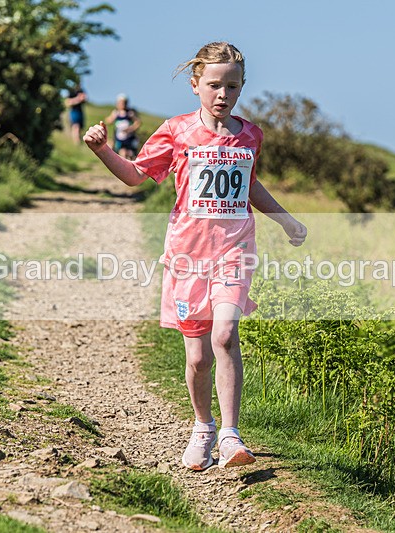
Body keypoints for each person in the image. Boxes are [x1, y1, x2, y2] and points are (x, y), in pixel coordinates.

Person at [83, 42, 307, 470]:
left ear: (242, 88)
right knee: (198, 357)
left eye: (232, 86)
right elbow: (135, 176)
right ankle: (203, 427)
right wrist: (102, 150)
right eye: (214, 85)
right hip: (187, 257)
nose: (223, 94)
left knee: (225, 335)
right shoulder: (176, 131)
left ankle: (230, 435)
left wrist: (286, 220)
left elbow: (250, 186)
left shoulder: (250, 135)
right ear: (195, 85)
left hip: (235, 251)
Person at [105, 94, 142, 160]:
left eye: (124, 103)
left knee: (130, 154)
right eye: (120, 103)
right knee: (122, 153)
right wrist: (112, 118)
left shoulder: (130, 113)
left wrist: (130, 129)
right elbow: (108, 121)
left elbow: (138, 122)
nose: (122, 105)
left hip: (129, 139)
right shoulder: (116, 113)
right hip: (119, 139)